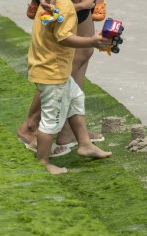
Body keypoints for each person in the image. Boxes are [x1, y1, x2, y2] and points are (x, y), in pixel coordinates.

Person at [26, 0, 112, 174]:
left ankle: (85, 144)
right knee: (51, 119)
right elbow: (64, 37)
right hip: (53, 73)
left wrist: (80, 7)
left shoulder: (55, 3)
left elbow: (63, 14)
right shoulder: (63, 6)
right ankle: (43, 160)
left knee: (76, 98)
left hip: (50, 68)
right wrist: (92, 41)